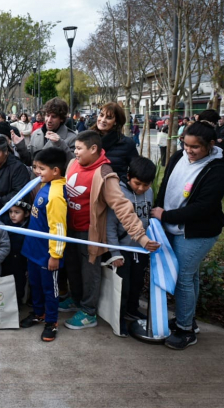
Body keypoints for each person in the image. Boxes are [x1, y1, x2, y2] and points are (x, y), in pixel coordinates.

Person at [60, 131, 159, 330]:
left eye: (79, 148)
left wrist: (140, 237)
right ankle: (76, 299)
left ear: (93, 149)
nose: (75, 152)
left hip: (90, 233)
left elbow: (123, 207)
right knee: (72, 268)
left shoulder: (105, 175)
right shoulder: (72, 164)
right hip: (69, 229)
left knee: (90, 272)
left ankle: (88, 312)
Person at [151, 110, 224, 350]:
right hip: (172, 226)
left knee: (183, 277)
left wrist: (167, 215)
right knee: (190, 276)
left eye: (195, 147)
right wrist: (159, 210)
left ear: (210, 145)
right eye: (186, 145)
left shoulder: (216, 171)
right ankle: (189, 321)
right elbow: (165, 184)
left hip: (197, 232)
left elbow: (202, 208)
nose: (189, 151)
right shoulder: (177, 157)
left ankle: (185, 331)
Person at [19, 147, 68, 342]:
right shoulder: (44, 185)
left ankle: (52, 322)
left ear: (55, 171)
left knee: (50, 289)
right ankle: (39, 314)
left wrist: (55, 256)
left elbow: (59, 228)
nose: (36, 172)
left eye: (41, 168)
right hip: (34, 250)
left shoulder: (56, 195)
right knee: (35, 285)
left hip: (47, 255)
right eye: (35, 167)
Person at [106, 156, 156, 337]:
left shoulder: (150, 193)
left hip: (141, 249)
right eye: (138, 183)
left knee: (137, 283)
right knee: (123, 286)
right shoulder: (118, 194)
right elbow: (110, 225)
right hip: (123, 250)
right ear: (128, 176)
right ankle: (118, 317)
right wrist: (115, 252)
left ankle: (132, 310)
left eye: (147, 185)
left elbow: (148, 219)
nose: (142, 188)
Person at [91, 102, 138, 181]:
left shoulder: (127, 144)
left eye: (108, 118)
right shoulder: (87, 139)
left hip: (114, 190)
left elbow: (137, 170)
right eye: (101, 115)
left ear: (116, 122)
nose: (102, 120)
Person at [27, 98, 77, 165]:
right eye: (47, 115)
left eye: (54, 117)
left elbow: (73, 164)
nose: (49, 120)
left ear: (61, 119)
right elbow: (28, 159)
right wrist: (19, 145)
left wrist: (60, 143)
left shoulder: (72, 138)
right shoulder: (36, 134)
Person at [1, 200, 30, 309]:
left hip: (21, 263)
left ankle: (16, 306)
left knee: (19, 284)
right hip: (6, 261)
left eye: (17, 212)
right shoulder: (5, 225)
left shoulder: (29, 228)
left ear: (26, 214)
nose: (12, 215)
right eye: (11, 212)